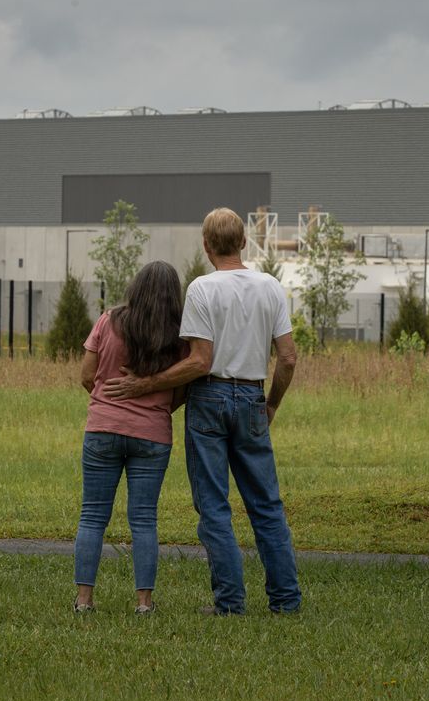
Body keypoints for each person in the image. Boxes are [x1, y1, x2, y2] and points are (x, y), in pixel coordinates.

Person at [105, 207, 300, 615]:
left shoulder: (201, 289)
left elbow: (199, 362)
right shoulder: (270, 287)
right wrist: (272, 404)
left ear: (206, 246)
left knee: (214, 506)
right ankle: (285, 600)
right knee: (266, 505)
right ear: (244, 242)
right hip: (251, 397)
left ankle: (230, 603)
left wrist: (144, 385)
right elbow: (287, 359)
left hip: (209, 400)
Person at [74, 261, 187, 614]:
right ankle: (144, 603)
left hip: (102, 429)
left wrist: (107, 403)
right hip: (153, 436)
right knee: (144, 519)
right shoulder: (180, 335)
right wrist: (156, 408)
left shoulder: (108, 320)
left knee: (92, 516)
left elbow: (86, 375)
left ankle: (83, 601)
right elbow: (183, 388)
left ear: (136, 287)